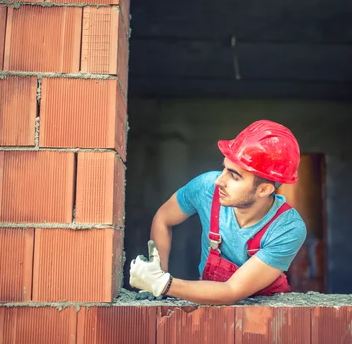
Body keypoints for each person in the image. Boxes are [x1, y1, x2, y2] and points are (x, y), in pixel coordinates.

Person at [129, 120, 307, 305]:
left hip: (266, 319)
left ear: (264, 190)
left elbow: (231, 291)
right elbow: (163, 219)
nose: (219, 181)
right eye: (224, 169)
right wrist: (157, 271)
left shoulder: (287, 228)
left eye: (234, 176)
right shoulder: (206, 188)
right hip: (208, 310)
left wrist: (161, 284)